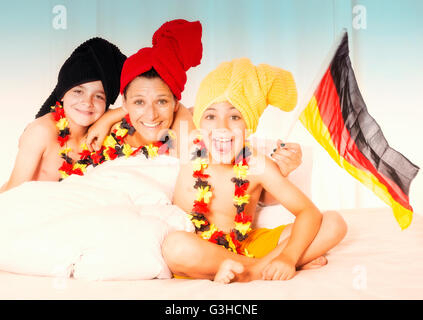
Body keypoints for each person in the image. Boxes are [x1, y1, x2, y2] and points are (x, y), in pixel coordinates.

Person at [162, 58, 348, 283]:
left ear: (249, 125)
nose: (222, 127)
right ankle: (262, 268)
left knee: (333, 223)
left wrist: (288, 257)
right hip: (200, 248)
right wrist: (108, 120)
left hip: (247, 244)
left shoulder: (258, 166)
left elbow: (308, 212)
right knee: (174, 246)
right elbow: (160, 109)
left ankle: (250, 271)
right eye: (210, 116)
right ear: (198, 122)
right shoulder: (188, 147)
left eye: (234, 116)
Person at [0, 37, 126, 192]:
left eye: (99, 96)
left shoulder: (103, 131)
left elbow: (146, 110)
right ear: (62, 94)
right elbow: (13, 193)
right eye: (78, 91)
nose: (87, 102)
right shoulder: (41, 131)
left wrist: (108, 119)